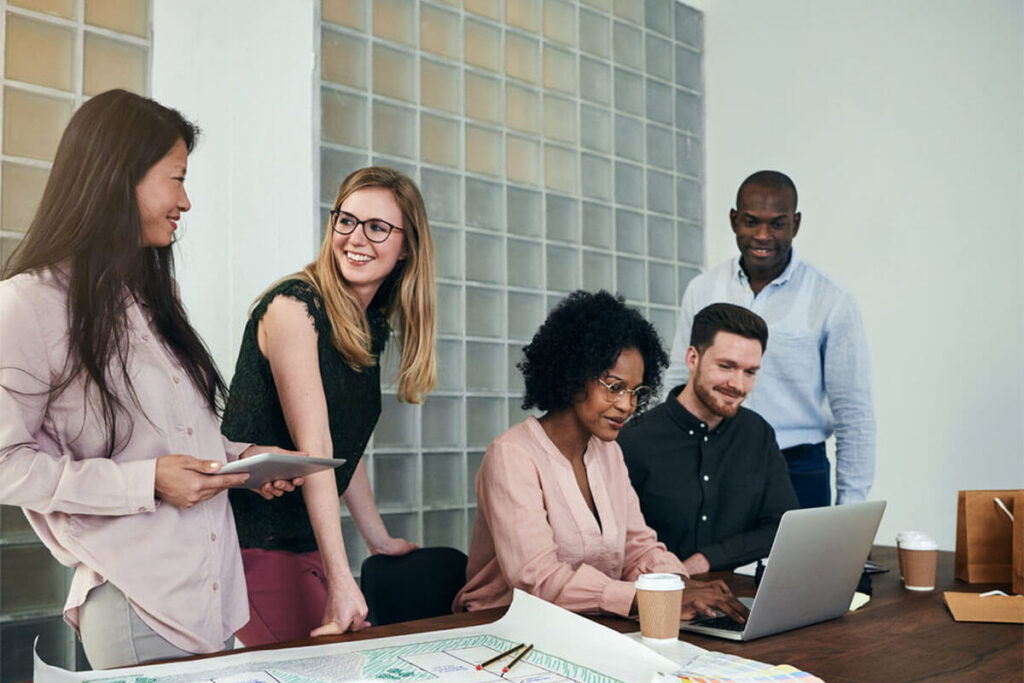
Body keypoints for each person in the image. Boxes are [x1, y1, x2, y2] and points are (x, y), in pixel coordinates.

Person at [0, 90, 300, 668]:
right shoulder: (27, 305)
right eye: (177, 178)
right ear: (119, 176)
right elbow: (6, 465)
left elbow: (166, 439)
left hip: (211, 600)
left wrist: (241, 461)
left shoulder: (156, 298)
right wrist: (147, 483)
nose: (185, 201)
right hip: (140, 604)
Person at [221, 166, 437, 644]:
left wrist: (377, 538)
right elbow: (317, 447)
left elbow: (343, 447)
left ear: (407, 247)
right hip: (254, 544)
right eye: (347, 220)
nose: (355, 238)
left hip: (304, 544)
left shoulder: (369, 325)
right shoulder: (293, 308)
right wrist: (342, 580)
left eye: (377, 227)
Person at [453, 290, 747, 623]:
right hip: (503, 627)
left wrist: (679, 587)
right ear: (574, 375)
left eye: (636, 392)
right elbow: (539, 581)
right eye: (614, 387)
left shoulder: (608, 452)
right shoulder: (512, 455)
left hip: (585, 624)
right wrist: (653, 599)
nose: (627, 405)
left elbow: (638, 547)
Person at [665, 171, 875, 508]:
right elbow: (677, 381)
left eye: (777, 224)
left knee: (803, 548)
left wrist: (851, 508)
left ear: (795, 224)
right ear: (734, 220)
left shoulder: (830, 299)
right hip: (713, 461)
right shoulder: (702, 289)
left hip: (798, 467)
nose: (763, 236)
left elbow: (853, 412)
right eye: (751, 222)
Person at [619, 303, 799, 574]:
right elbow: (613, 543)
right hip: (658, 594)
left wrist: (706, 559)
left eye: (750, 372)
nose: (738, 384)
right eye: (726, 366)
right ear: (693, 358)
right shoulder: (634, 440)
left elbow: (783, 527)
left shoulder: (757, 433)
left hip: (740, 593)